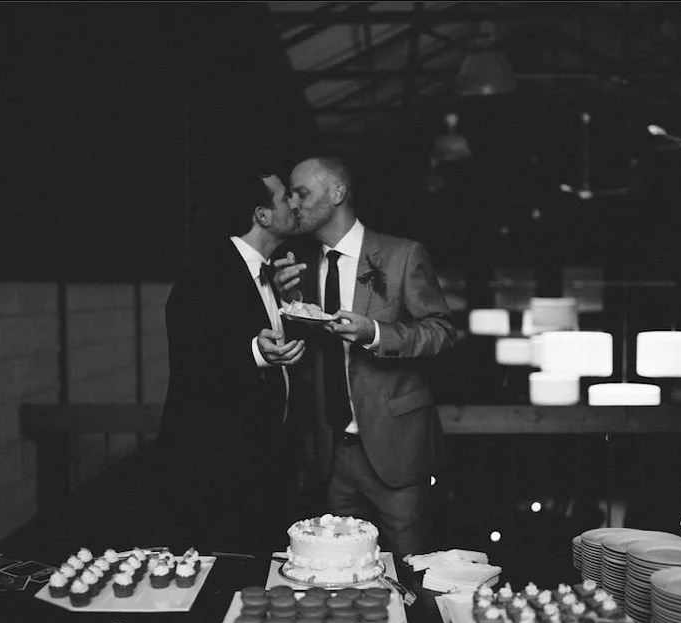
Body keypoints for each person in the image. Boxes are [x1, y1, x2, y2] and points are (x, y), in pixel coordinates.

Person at [275, 156, 456, 555]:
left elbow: (442, 333)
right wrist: (287, 303)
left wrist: (374, 333)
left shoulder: (403, 255)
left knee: (410, 570)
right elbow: (302, 356)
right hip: (332, 455)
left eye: (302, 193)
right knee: (340, 570)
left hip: (397, 452)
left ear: (337, 193)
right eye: (289, 195)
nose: (293, 203)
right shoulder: (299, 266)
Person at [156, 170, 306, 554]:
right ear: (263, 215)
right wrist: (255, 353)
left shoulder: (271, 276)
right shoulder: (206, 277)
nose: (294, 202)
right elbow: (192, 364)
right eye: (285, 196)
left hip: (264, 465)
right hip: (218, 470)